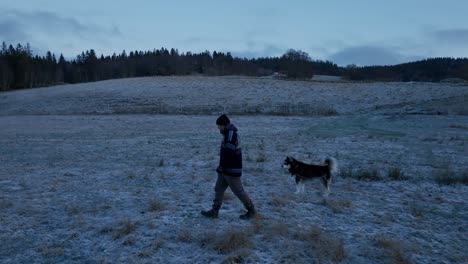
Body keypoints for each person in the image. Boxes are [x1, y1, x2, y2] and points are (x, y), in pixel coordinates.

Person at [201, 114, 256, 220]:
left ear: (224, 125)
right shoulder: (227, 133)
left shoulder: (231, 135)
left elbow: (229, 153)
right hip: (225, 169)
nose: (218, 129)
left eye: (219, 126)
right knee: (218, 189)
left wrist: (222, 166)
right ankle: (214, 211)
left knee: (238, 191)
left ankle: (251, 210)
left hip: (231, 169)